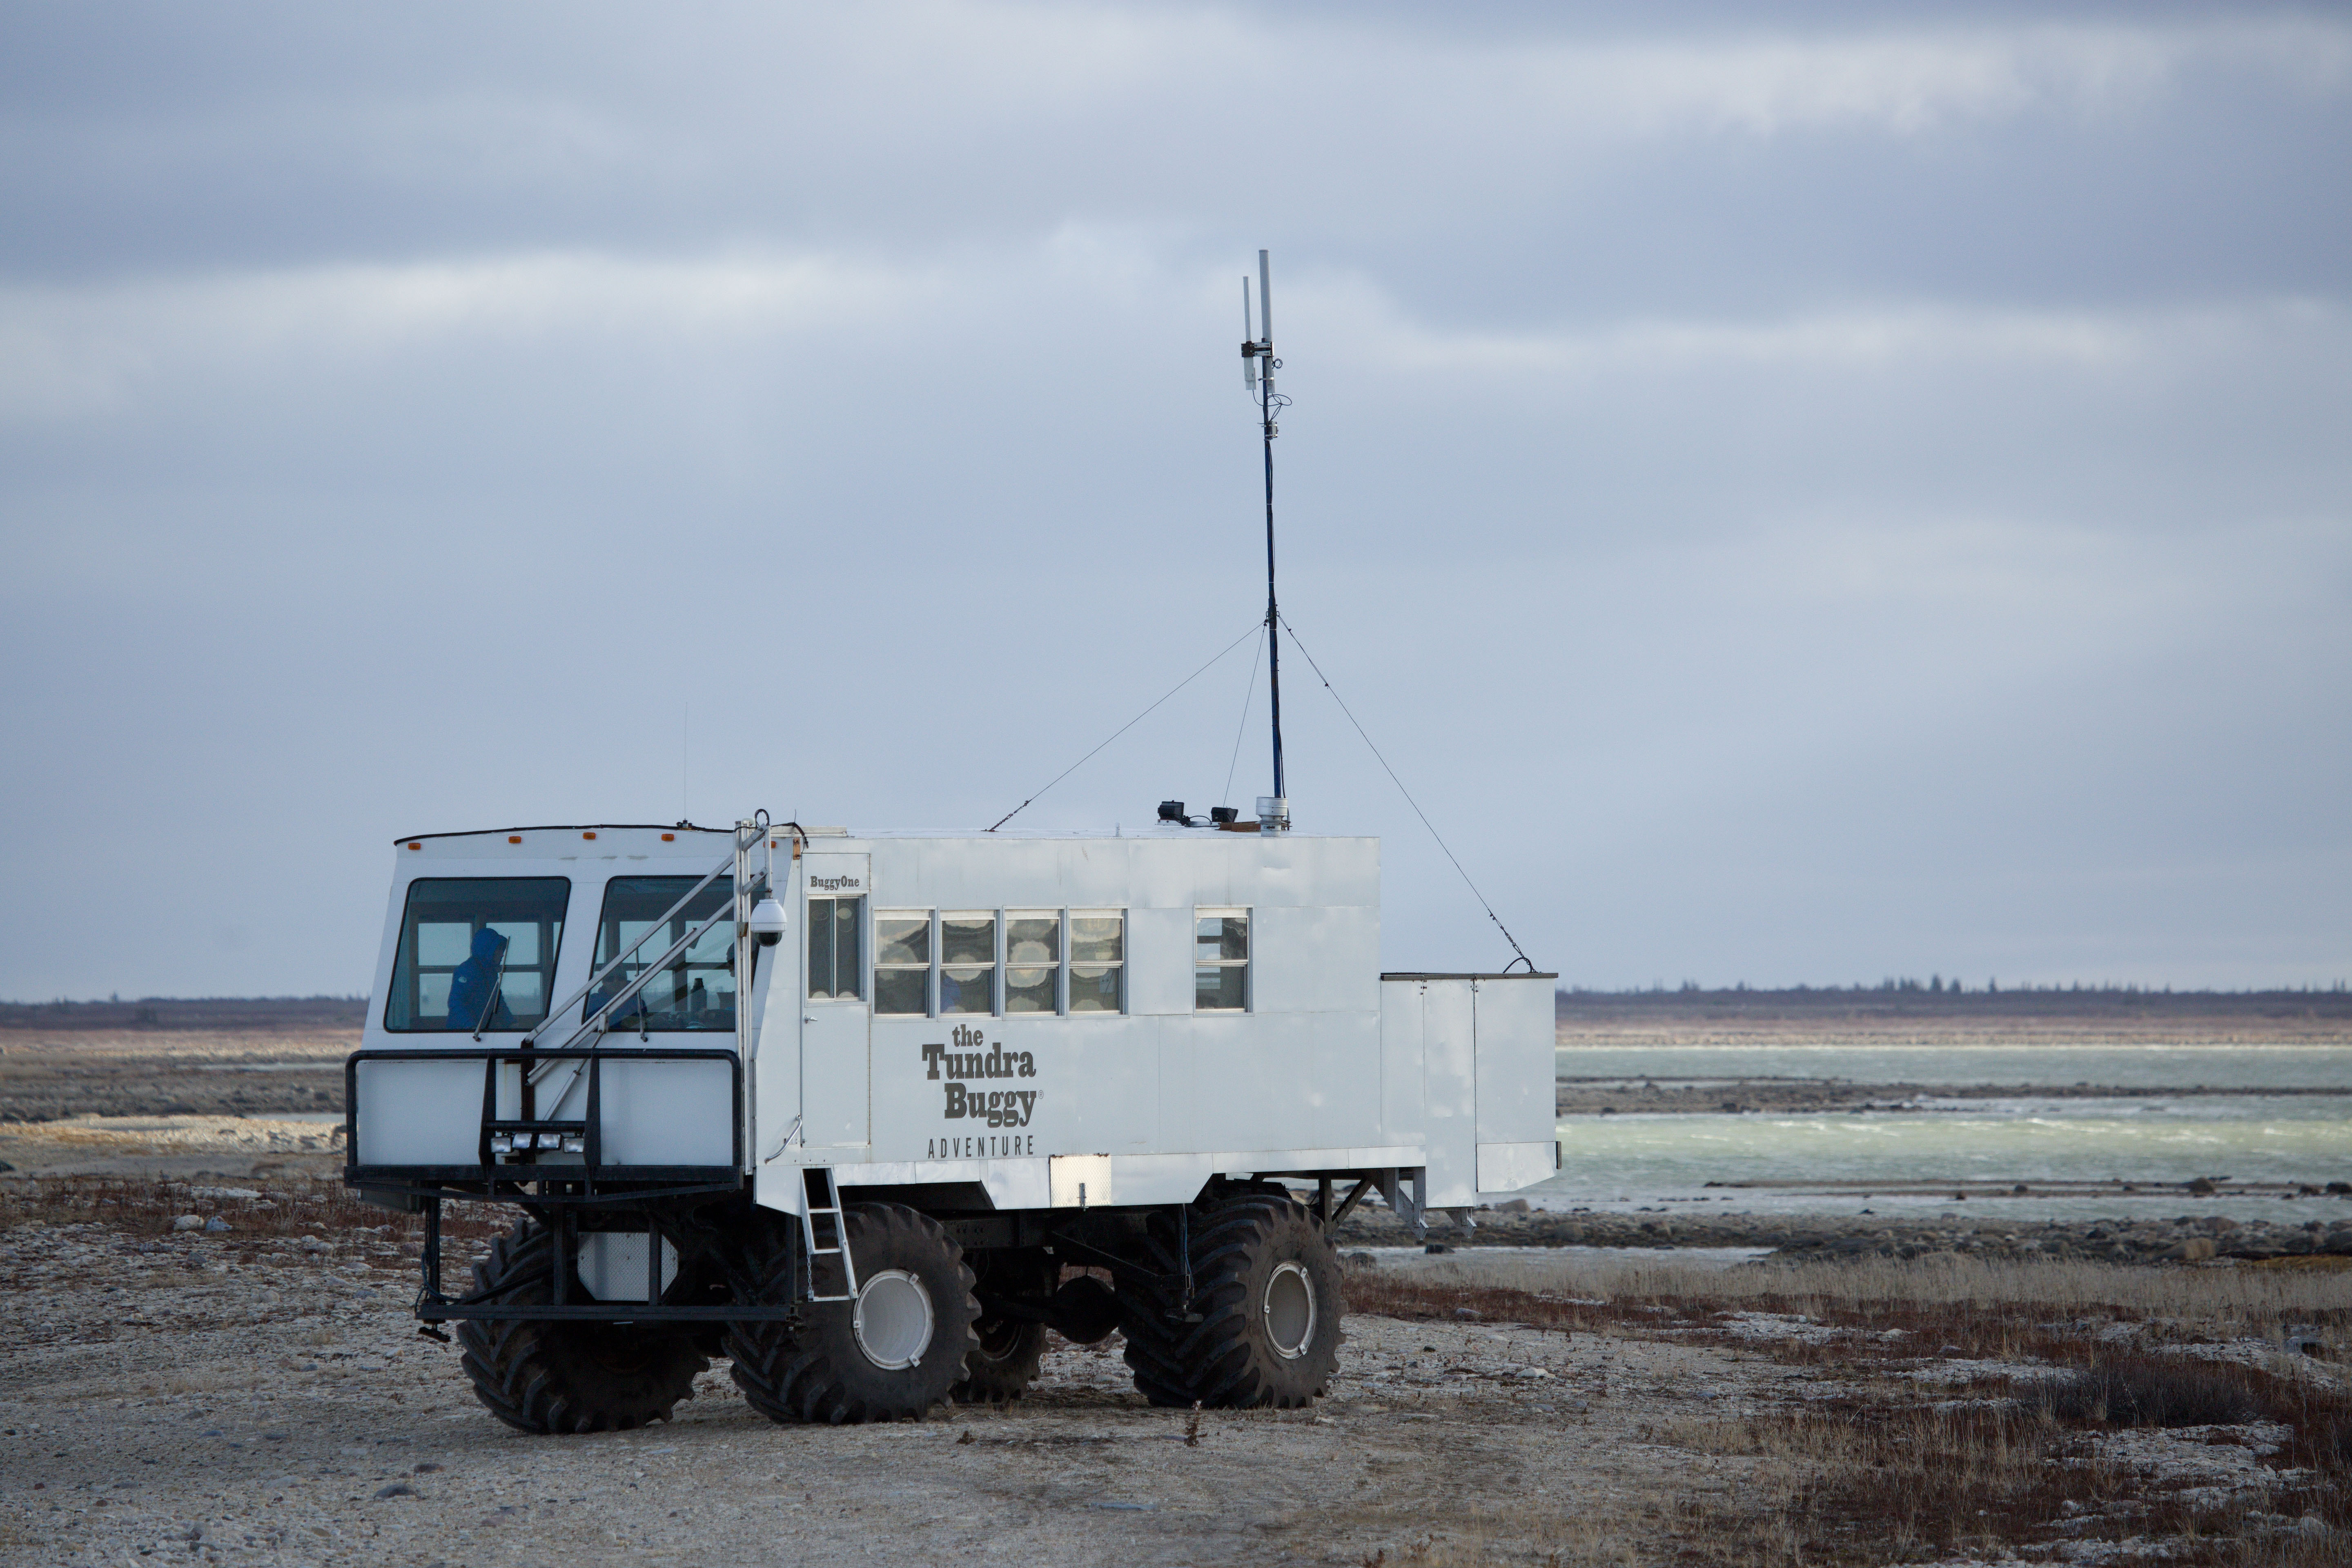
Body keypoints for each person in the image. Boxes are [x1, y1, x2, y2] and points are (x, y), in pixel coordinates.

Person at [447, 927, 513, 1032]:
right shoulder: (467, 971)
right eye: (498, 949)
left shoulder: (491, 973)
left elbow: (497, 1001)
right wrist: (471, 1028)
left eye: (502, 950)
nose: (502, 954)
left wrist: (512, 1023)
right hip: (461, 1035)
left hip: (481, 1033)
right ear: (487, 949)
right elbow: (456, 1002)